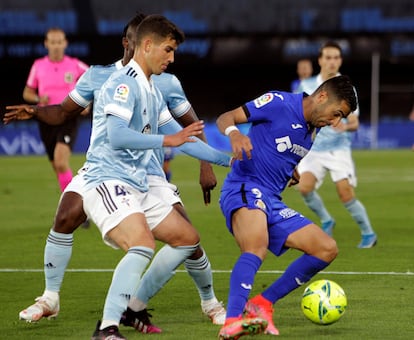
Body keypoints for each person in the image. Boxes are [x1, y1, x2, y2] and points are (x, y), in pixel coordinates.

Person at [6, 13, 227, 330]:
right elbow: (86, 120)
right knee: (71, 218)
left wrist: (226, 161)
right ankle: (64, 303)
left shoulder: (160, 84)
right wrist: (36, 111)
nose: (172, 57)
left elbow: (188, 131)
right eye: (168, 49)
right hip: (105, 171)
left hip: (145, 173)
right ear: (135, 43)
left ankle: (199, 302)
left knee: (187, 238)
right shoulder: (107, 78)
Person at [216, 75, 357, 339]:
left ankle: (262, 303)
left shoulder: (314, 129)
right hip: (244, 186)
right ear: (322, 96)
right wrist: (233, 134)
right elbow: (226, 117)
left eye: (341, 118)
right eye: (337, 114)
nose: (336, 122)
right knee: (256, 246)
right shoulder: (278, 102)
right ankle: (232, 321)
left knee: (326, 248)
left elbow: (278, 147)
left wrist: (291, 169)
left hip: (272, 200)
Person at [295, 41, 377, 248]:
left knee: (345, 193)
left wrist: (346, 126)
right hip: (312, 149)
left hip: (338, 149)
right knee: (304, 188)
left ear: (340, 61)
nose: (332, 62)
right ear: (321, 60)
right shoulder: (305, 87)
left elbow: (355, 122)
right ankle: (326, 219)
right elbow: (298, 118)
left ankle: (369, 233)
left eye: (336, 58)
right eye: (328, 57)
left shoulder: (347, 88)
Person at [23, 27, 89, 192]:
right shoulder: (38, 66)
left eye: (59, 42)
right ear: (46, 44)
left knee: (60, 162)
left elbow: (94, 80)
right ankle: (73, 208)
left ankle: (75, 208)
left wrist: (86, 103)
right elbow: (27, 93)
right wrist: (38, 99)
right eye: (53, 42)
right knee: (57, 166)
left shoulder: (75, 65)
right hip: (46, 118)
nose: (56, 46)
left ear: (65, 43)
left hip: (68, 117)